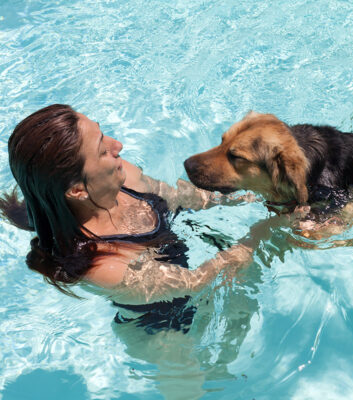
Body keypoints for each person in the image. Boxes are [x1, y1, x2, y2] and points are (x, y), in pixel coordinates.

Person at [0, 104, 282, 332]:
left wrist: (253, 195)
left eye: (103, 133)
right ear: (77, 190)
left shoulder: (123, 175)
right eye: (102, 150)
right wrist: (264, 231)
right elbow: (195, 281)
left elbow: (178, 198)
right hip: (162, 325)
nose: (118, 145)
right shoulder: (106, 265)